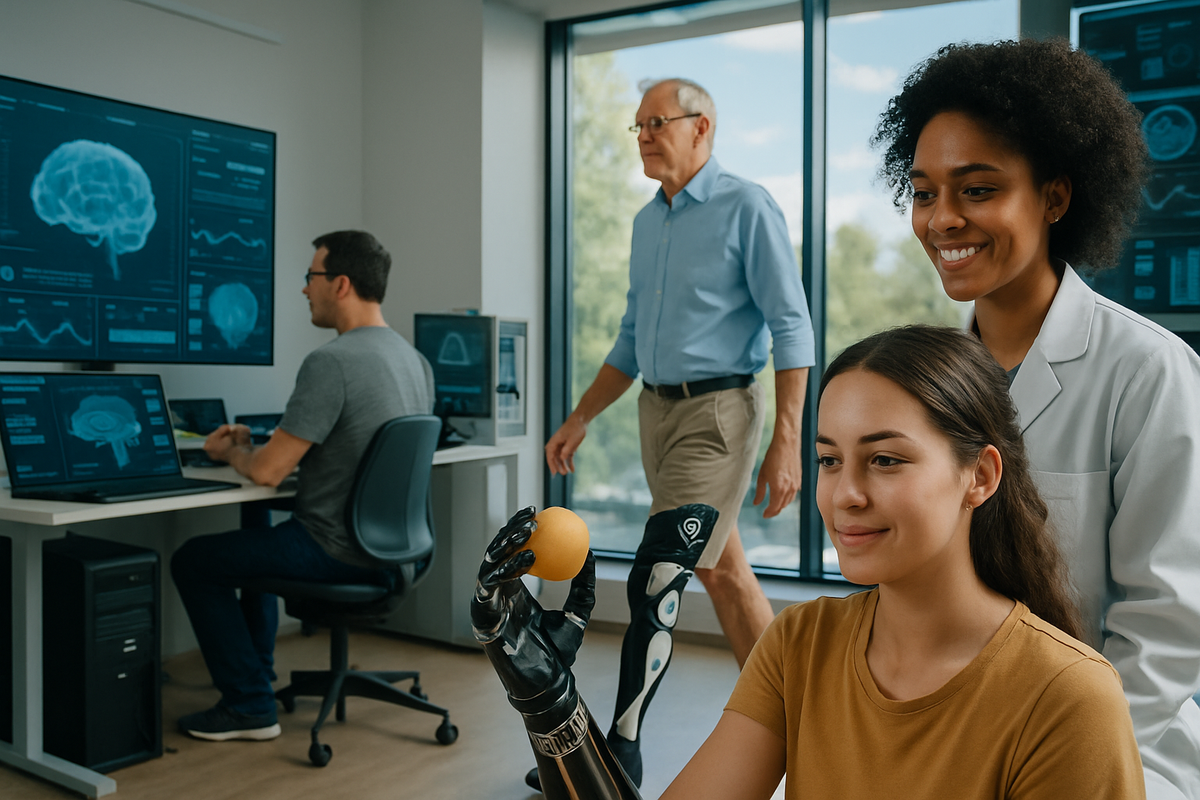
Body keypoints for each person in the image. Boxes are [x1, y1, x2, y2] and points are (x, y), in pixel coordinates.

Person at [475, 325, 1145, 799]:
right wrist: (550, 706)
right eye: (829, 460)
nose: (845, 494)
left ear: (980, 476)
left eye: (885, 459)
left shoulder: (1069, 700)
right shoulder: (801, 645)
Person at [872, 39, 1200, 799]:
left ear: (1054, 198)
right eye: (923, 193)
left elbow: (1169, 622)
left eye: (977, 190)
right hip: (956, 728)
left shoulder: (1147, 371)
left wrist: (1061, 754)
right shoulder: (931, 380)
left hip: (1114, 746)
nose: (942, 219)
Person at [541, 77, 814, 787]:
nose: (644, 136)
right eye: (638, 126)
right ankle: (804, 721)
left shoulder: (744, 206)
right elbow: (630, 340)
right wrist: (578, 419)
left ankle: (614, 756)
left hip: (718, 414)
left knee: (658, 576)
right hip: (655, 413)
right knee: (722, 571)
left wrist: (788, 440)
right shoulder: (646, 222)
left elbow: (791, 323)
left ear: (703, 128)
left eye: (656, 122)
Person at [171, 230, 434, 741]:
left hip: (333, 546)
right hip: (398, 550)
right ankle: (257, 676)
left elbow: (269, 472)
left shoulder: (331, 362)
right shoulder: (413, 361)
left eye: (309, 277)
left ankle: (249, 703)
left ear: (339, 284)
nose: (302, 290)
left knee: (194, 560)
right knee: (252, 530)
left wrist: (230, 452)